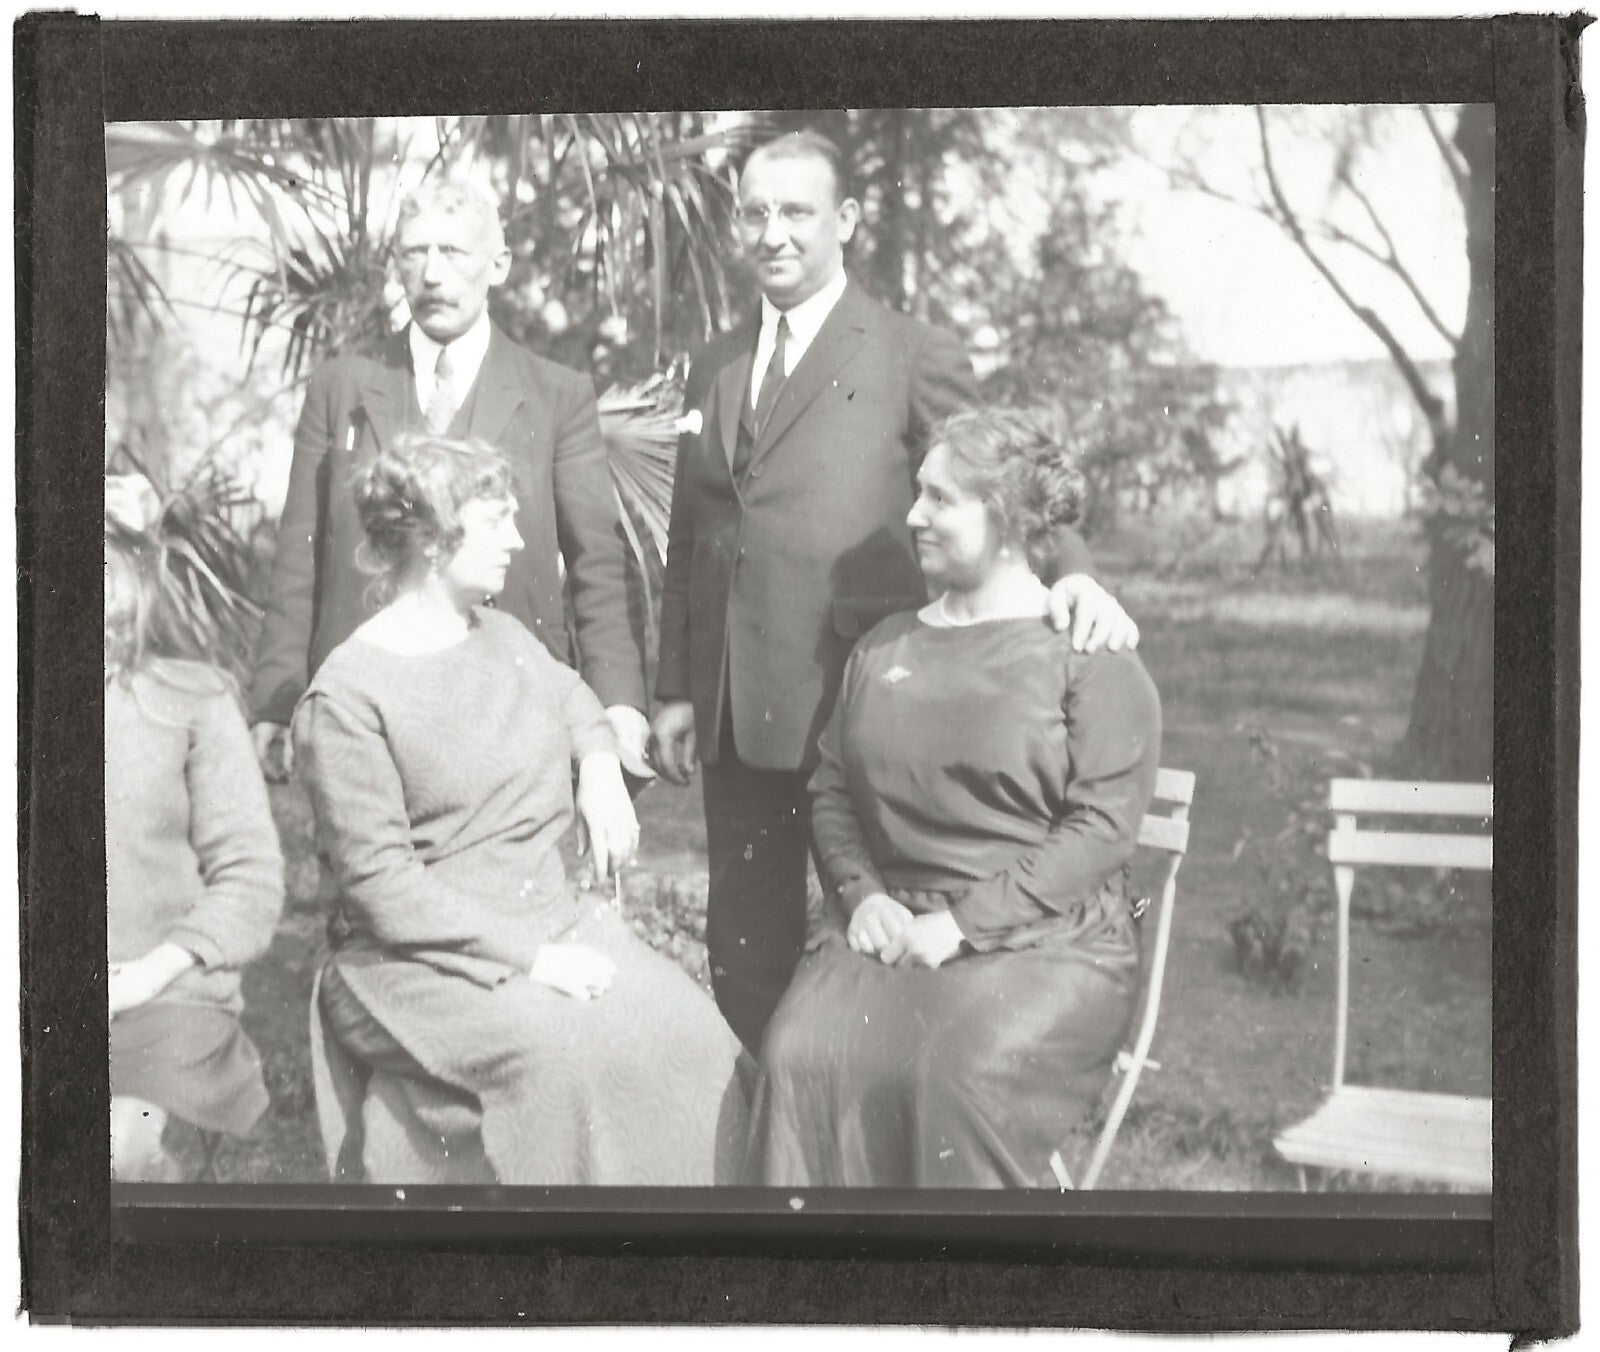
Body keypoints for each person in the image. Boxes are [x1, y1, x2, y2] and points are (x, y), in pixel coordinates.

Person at [649, 130, 1140, 1054]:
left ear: (845, 220)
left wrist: (1073, 573)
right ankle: (767, 1119)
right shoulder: (714, 364)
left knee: (873, 931)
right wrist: (676, 684)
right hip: (733, 707)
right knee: (743, 943)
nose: (773, 232)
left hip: (865, 697)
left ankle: (871, 1116)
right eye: (755, 212)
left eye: (796, 212)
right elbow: (694, 535)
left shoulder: (909, 350)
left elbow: (1001, 471)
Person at [293, 433, 746, 1185]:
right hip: (419, 960)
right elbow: (383, 889)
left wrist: (597, 761)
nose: (520, 539)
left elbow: (571, 695)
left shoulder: (501, 636)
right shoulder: (347, 698)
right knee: (565, 1062)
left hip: (553, 919)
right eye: (496, 521)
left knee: (693, 1036)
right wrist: (532, 961)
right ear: (433, 541)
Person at [743, 405, 1163, 1187]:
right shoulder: (883, 645)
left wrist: (962, 926)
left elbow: (1102, 831)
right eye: (918, 493)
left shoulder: (1088, 655)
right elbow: (832, 787)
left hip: (1041, 940)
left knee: (948, 1075)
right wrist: (862, 895)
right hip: (890, 924)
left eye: (940, 498)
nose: (913, 515)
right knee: (796, 1055)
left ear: (1006, 519)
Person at [250, 179, 650, 782]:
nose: (432, 274)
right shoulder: (341, 388)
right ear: (397, 263)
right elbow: (298, 555)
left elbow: (597, 563)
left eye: (453, 253)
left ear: (498, 265)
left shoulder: (555, 396)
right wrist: (277, 700)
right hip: (366, 712)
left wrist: (618, 702)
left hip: (512, 708)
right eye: (415, 253)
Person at [105, 523, 285, 1182]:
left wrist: (148, 974)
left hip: (161, 1002)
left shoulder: (190, 701)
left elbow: (250, 879)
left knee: (114, 1150)